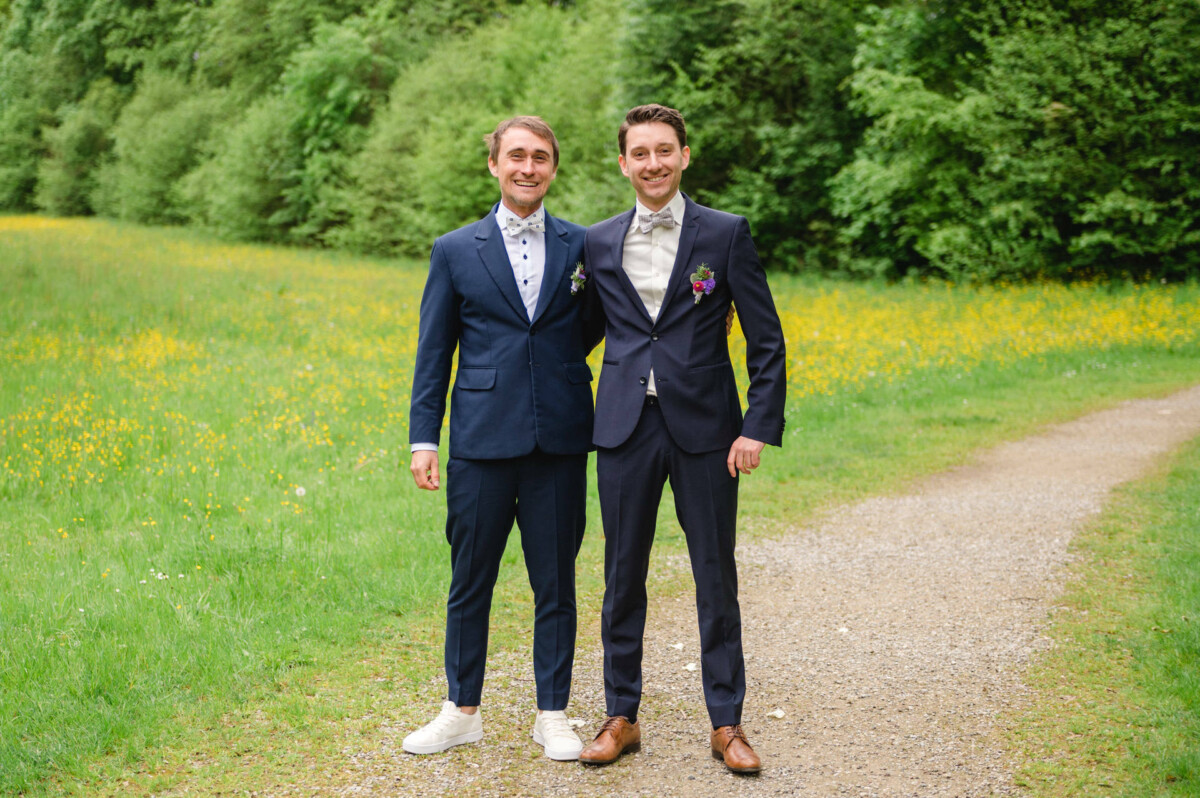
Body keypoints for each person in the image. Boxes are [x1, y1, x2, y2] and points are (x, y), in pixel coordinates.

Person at [577, 104, 787, 774]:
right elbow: (573, 335)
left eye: (664, 150)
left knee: (714, 576)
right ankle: (621, 715)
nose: (653, 163)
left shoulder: (725, 234)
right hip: (623, 430)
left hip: (707, 432)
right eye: (640, 153)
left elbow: (766, 338)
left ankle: (727, 723)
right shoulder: (598, 241)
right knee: (621, 576)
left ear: (685, 156)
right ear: (623, 164)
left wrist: (757, 425)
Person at [404, 116, 602, 761]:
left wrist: (556, 369)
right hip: (482, 442)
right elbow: (434, 349)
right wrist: (423, 438)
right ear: (494, 164)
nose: (528, 167)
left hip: (560, 441)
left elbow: (592, 324)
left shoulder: (582, 246)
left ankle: (553, 713)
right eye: (516, 156)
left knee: (557, 582)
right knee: (471, 580)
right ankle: (461, 710)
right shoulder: (455, 249)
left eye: (540, 158)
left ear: (552, 168)